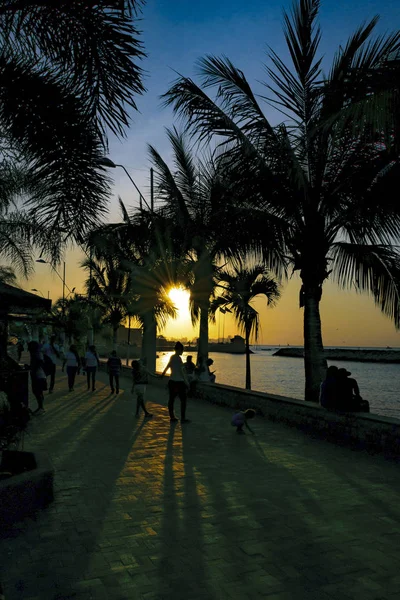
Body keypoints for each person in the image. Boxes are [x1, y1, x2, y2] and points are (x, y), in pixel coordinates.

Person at [160, 342, 190, 423]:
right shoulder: (179, 359)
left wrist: (162, 375)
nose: (182, 351)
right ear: (179, 350)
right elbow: (182, 372)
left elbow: (168, 366)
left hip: (172, 381)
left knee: (171, 399)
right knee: (183, 401)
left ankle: (172, 417)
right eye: (182, 350)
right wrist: (187, 383)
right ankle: (183, 418)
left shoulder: (172, 357)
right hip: (179, 382)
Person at [27, 341, 47, 414]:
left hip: (38, 376)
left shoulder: (36, 354)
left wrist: (32, 368)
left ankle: (41, 407)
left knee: (37, 392)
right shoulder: (37, 353)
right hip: (40, 375)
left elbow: (39, 361)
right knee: (38, 392)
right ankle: (41, 407)